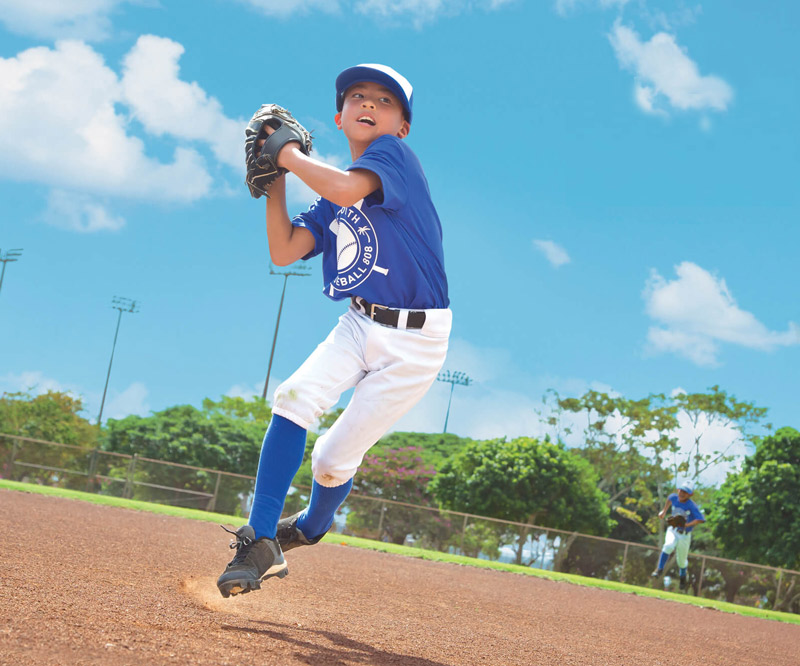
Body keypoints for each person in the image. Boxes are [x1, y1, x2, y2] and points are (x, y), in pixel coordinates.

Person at [217, 64, 452, 597]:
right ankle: (258, 541)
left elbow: (349, 190)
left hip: (416, 343)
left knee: (331, 461)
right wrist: (275, 182)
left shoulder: (393, 158)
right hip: (360, 320)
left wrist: (288, 156)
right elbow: (285, 250)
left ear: (402, 127)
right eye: (358, 96)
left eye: (386, 101)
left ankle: (308, 528)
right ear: (340, 116)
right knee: (293, 396)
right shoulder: (330, 198)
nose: (370, 104)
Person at [650, 482, 705, 591]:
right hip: (673, 529)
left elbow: (700, 519)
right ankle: (659, 570)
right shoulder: (674, 497)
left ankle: (683, 577)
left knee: (681, 561)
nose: (682, 493)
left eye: (685, 492)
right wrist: (664, 511)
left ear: (690, 494)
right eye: (681, 490)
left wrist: (686, 525)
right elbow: (669, 499)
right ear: (678, 489)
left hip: (684, 535)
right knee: (668, 545)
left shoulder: (692, 506)